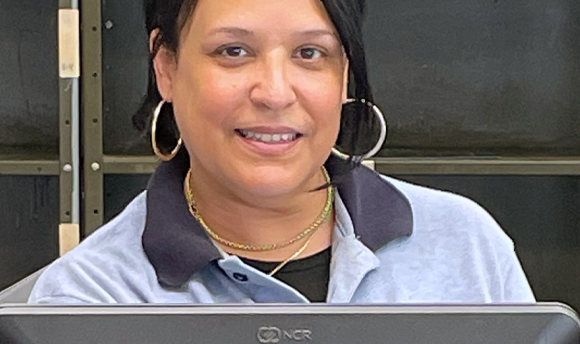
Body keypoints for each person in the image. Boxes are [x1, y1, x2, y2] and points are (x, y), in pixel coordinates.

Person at [28, 0, 534, 304]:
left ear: (344, 75)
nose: (274, 92)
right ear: (166, 67)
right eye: (233, 51)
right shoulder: (89, 298)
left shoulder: (467, 246)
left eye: (309, 54)